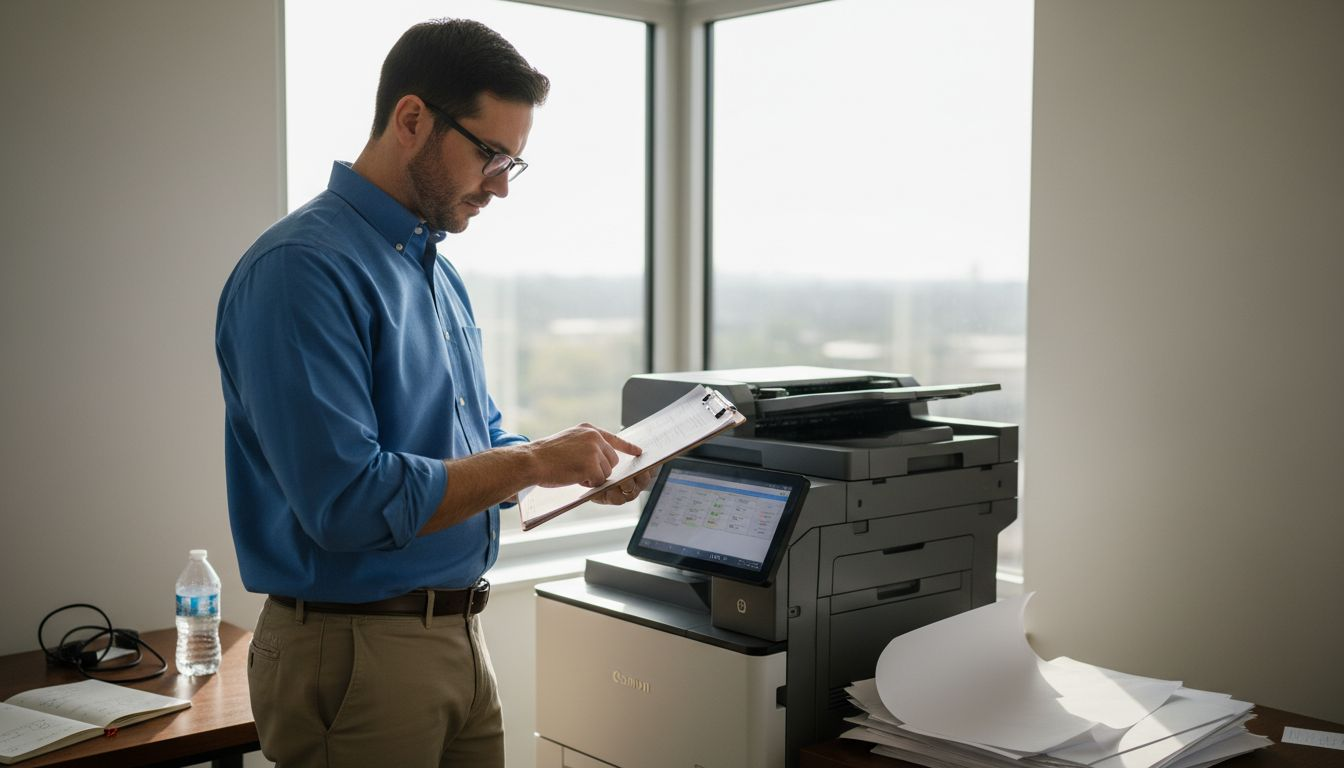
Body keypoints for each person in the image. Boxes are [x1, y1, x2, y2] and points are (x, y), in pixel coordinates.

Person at [215, 18, 654, 768]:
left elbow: (474, 446)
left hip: (457, 640)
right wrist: (535, 463)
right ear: (412, 119)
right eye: (490, 154)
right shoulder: (300, 271)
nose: (501, 187)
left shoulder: (435, 271)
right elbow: (349, 502)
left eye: (516, 162)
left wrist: (574, 474)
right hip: (355, 656)